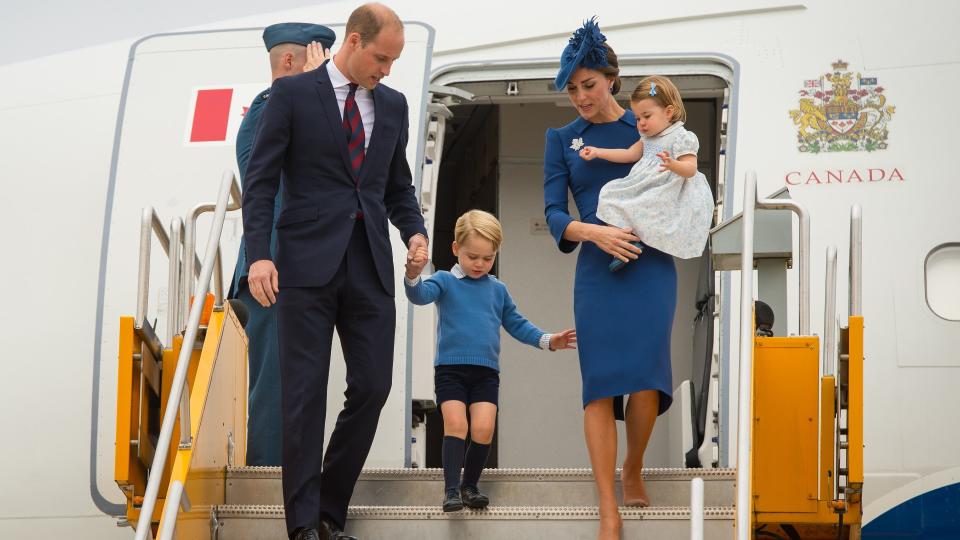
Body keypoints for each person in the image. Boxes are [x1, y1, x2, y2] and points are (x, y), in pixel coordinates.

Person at [240, 4, 428, 540]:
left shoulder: (392, 105)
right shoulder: (293, 95)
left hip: (368, 264)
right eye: (381, 58)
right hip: (303, 265)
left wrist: (413, 232)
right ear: (353, 41)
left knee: (373, 384)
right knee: (303, 395)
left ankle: (327, 504)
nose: (387, 70)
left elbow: (396, 187)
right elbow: (261, 181)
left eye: (394, 61)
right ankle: (304, 526)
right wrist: (260, 254)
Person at [543, 18, 676, 540]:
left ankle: (634, 465)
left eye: (589, 85)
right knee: (598, 386)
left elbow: (679, 187)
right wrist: (594, 234)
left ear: (612, 81)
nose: (580, 97)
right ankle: (607, 507)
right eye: (572, 88)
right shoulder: (562, 139)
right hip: (597, 269)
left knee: (646, 378)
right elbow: (554, 212)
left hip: (650, 264)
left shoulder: (646, 127)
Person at [403, 210, 577, 512]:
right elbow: (419, 295)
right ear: (456, 249)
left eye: (488, 258)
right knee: (456, 424)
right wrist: (412, 274)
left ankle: (471, 486)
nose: (480, 265)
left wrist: (549, 340)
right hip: (451, 371)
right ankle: (452, 491)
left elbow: (517, 324)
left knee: (483, 429)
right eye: (473, 257)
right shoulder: (445, 280)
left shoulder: (497, 290)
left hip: (485, 374)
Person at [228, 22, 335, 468]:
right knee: (274, 384)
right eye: (321, 64)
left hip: (296, 270)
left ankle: (290, 482)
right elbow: (264, 186)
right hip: (272, 270)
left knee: (295, 384)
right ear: (290, 62)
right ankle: (270, 485)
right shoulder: (270, 108)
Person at [579, 74, 714, 268]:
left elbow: (691, 169)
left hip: (666, 188)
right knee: (609, 193)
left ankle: (638, 239)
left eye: (647, 116)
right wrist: (598, 152)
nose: (641, 123)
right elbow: (629, 154)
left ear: (668, 112)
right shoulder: (647, 139)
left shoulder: (682, 137)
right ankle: (627, 240)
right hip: (645, 184)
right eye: (637, 118)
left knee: (649, 207)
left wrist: (672, 164)